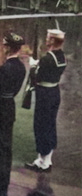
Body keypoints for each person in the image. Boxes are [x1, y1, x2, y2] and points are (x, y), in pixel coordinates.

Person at [0, 31, 26, 190]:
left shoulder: (5, 69)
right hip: (9, 107)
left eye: (5, 44)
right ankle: (4, 179)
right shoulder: (21, 67)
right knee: (6, 146)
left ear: (9, 47)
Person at [27, 29, 67, 171]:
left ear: (52, 41)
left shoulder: (47, 59)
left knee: (41, 125)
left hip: (44, 94)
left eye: (48, 38)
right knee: (49, 125)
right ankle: (45, 160)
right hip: (54, 92)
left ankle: (43, 162)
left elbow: (36, 77)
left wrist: (33, 66)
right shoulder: (61, 57)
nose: (46, 39)